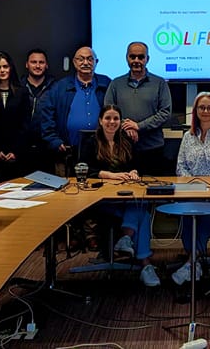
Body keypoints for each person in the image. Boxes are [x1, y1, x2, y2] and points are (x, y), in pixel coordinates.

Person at [80, 104, 159, 287]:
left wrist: (134, 172)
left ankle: (127, 241)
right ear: (100, 121)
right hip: (102, 201)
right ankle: (143, 261)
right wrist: (110, 175)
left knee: (141, 205)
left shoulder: (126, 141)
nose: (112, 122)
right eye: (108, 118)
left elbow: (137, 165)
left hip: (125, 197)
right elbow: (83, 169)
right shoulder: (91, 142)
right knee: (142, 213)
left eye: (116, 118)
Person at [172, 92, 210, 285]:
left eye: (209, 107)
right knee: (188, 213)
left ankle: (192, 261)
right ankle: (194, 259)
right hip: (190, 189)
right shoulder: (188, 136)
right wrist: (193, 184)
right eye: (201, 107)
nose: (205, 111)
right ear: (196, 111)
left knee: (203, 211)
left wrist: (208, 185)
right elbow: (180, 166)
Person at [38, 46, 110, 175]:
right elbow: (47, 117)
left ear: (96, 62)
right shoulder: (60, 87)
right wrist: (54, 141)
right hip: (68, 153)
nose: (85, 63)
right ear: (74, 62)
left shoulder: (107, 84)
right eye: (81, 59)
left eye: (90, 59)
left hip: (102, 152)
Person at [104, 42, 172, 172]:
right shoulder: (116, 84)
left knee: (153, 184)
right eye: (132, 57)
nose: (136, 60)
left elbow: (165, 113)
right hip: (122, 148)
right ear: (127, 58)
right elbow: (108, 112)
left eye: (141, 57)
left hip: (153, 149)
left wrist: (138, 126)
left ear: (147, 59)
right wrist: (127, 127)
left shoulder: (160, 83)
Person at [0, 51, 30, 182]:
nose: (2, 70)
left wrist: (16, 151)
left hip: (16, 154)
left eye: (5, 66)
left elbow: (25, 124)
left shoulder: (22, 92)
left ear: (11, 68)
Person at [21, 48, 57, 172]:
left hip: (47, 147)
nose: (37, 66)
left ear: (46, 65)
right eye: (33, 62)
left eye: (41, 62)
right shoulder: (18, 87)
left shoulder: (56, 87)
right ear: (27, 64)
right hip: (22, 148)